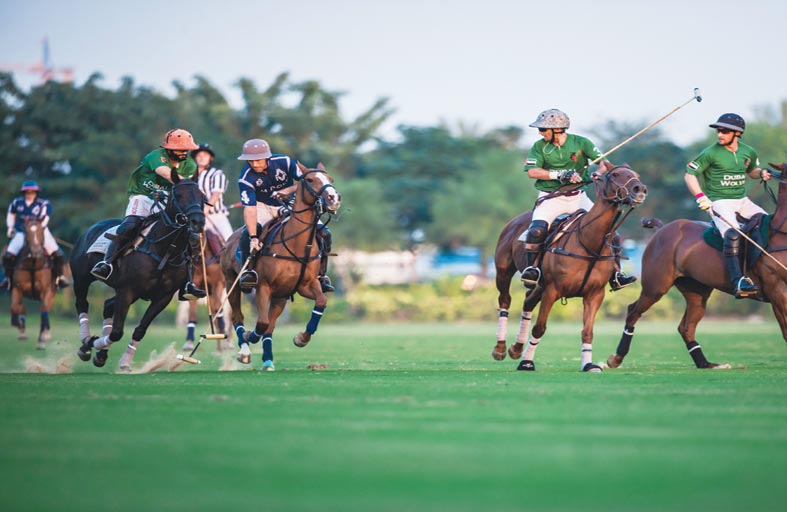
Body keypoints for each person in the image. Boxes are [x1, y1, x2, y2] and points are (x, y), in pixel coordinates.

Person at [520, 108, 637, 290]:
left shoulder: (581, 143)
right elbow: (533, 172)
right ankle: (532, 270)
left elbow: (604, 163)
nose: (540, 132)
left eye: (543, 129)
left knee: (612, 233)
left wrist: (597, 173)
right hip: (551, 197)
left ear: (557, 130)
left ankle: (616, 274)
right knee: (536, 231)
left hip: (578, 197)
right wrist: (561, 174)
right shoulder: (539, 146)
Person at [90, 129, 206, 300]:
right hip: (143, 196)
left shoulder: (190, 165)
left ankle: (187, 283)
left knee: (186, 235)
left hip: (168, 199)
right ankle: (107, 263)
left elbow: (183, 189)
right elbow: (168, 175)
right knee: (129, 226)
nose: (184, 152)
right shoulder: (155, 156)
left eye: (186, 149)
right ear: (168, 149)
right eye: (180, 149)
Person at [685, 113, 770, 298]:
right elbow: (689, 175)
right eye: (718, 130)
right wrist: (701, 197)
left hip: (742, 200)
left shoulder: (748, 151)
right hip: (719, 201)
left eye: (724, 131)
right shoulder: (710, 153)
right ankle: (739, 281)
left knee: (768, 224)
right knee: (733, 234)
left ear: (737, 133)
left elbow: (752, 171)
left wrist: (762, 172)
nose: (720, 134)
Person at [236, 138, 334, 292]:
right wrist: (254, 237)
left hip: (289, 203)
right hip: (263, 206)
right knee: (246, 235)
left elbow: (306, 182)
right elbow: (249, 209)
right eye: (250, 161)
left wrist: (287, 191)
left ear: (267, 157)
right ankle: (248, 272)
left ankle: (322, 274)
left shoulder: (284, 162)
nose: (254, 164)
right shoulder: (245, 178)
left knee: (325, 233)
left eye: (258, 160)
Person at [2, 181, 69, 289]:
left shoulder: (43, 204)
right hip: (21, 232)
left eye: (32, 192)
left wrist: (37, 231)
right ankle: (7, 279)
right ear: (24, 193)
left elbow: (45, 219)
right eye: (27, 192)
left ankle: (60, 277)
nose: (29, 194)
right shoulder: (16, 203)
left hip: (40, 231)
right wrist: (10, 227)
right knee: (8, 255)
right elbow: (11, 214)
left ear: (36, 192)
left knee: (58, 254)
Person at [192, 144, 233, 246]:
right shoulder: (189, 175)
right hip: (195, 217)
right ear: (195, 158)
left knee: (230, 243)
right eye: (199, 155)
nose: (201, 157)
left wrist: (206, 208)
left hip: (216, 216)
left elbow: (216, 194)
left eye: (205, 155)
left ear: (210, 158)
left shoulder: (216, 174)